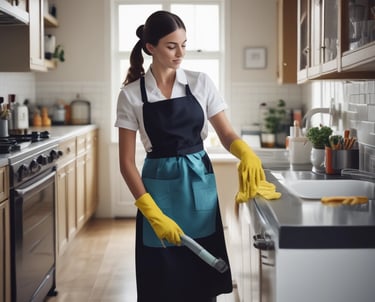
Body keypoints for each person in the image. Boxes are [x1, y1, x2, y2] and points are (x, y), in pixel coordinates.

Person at [115, 10, 280, 302]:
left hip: (198, 187)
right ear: (150, 47)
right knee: (160, 281)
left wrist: (245, 152)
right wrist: (151, 213)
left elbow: (226, 134)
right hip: (158, 193)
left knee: (201, 281)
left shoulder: (200, 82)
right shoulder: (131, 95)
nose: (181, 53)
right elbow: (126, 162)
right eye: (171, 46)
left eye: (184, 44)